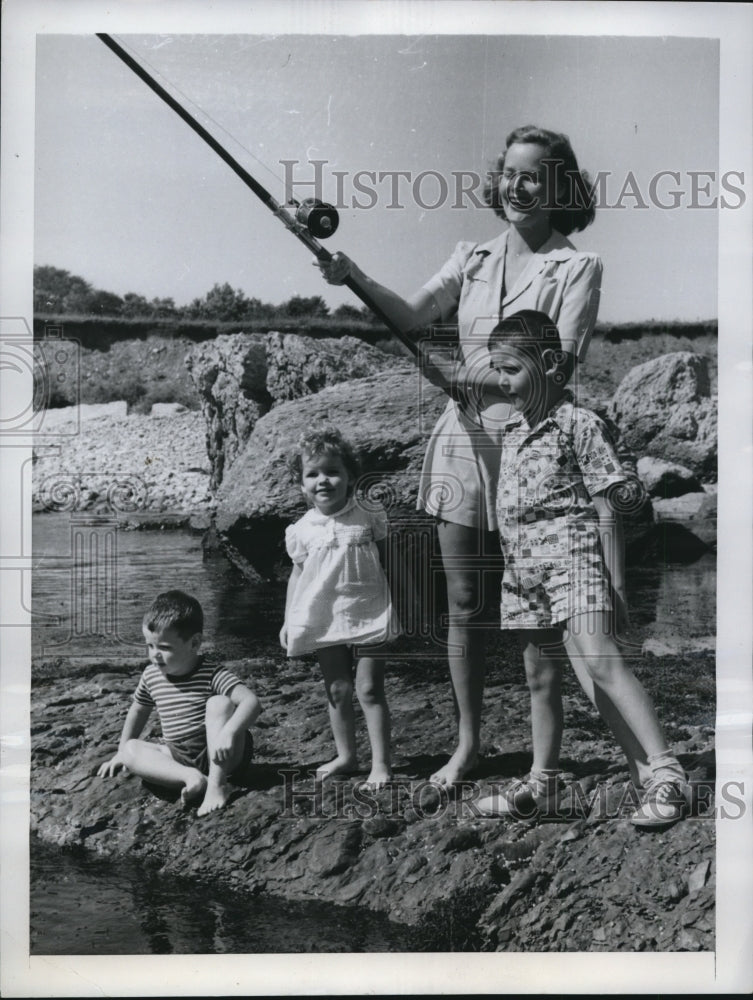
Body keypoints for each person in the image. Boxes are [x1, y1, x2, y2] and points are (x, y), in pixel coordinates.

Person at [318, 124, 650, 787]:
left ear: (559, 187)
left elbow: (556, 369)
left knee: (557, 610)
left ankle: (585, 761)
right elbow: (409, 316)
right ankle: (467, 745)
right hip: (461, 444)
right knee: (464, 599)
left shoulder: (577, 268)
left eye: (534, 175)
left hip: (536, 451)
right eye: (509, 173)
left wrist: (470, 378)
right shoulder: (470, 257)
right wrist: (350, 275)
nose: (518, 185)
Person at [474, 311, 687, 828]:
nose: (503, 382)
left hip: (575, 559)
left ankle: (667, 775)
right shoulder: (513, 427)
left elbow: (607, 508)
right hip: (524, 572)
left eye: (513, 370)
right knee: (539, 677)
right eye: (497, 370)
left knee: (602, 663)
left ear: (549, 365)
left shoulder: (579, 423)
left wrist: (615, 583)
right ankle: (544, 782)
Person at [281, 427, 400, 787]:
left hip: (370, 609)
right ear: (301, 485)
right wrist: (289, 620)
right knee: (337, 688)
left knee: (368, 688)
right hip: (324, 613)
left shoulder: (368, 513)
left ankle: (381, 764)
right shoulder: (301, 529)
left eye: (332, 471)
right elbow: (297, 576)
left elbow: (393, 560)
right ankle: (347, 756)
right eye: (312, 474)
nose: (323, 480)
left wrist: (409, 603)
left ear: (350, 477)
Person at [97, 590, 261, 817]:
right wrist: (120, 751)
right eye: (150, 646)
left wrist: (230, 732)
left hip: (223, 753)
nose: (155, 655)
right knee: (131, 750)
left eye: (164, 648)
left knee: (219, 703)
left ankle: (217, 785)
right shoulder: (151, 675)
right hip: (178, 755)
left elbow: (251, 702)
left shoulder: (211, 672)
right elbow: (139, 709)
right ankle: (192, 778)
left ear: (194, 643)